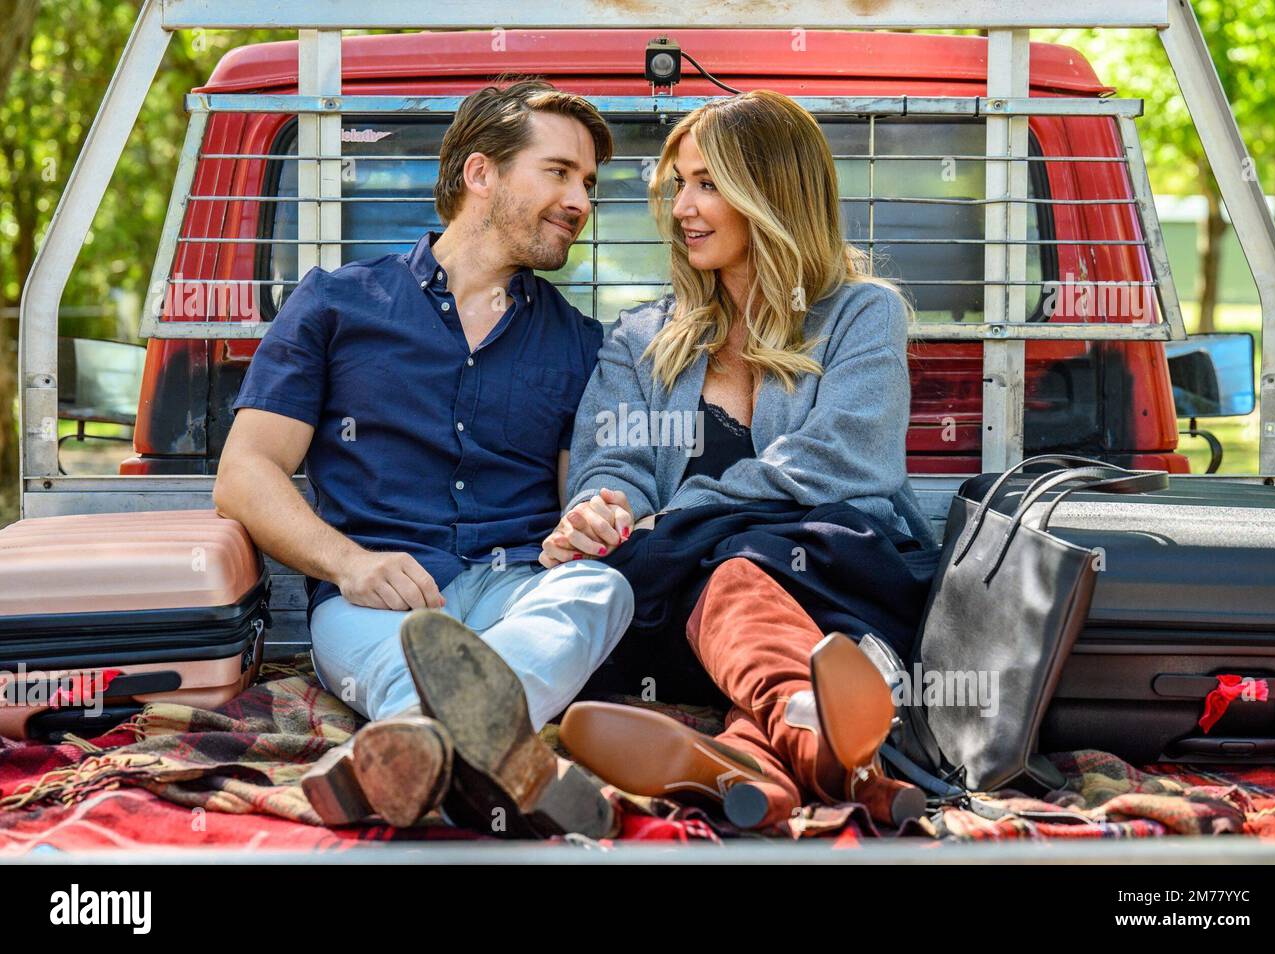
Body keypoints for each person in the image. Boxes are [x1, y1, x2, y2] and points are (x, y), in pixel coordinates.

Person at [213, 78, 633, 838]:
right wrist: (349, 564)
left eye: (589, 184)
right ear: (481, 173)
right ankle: (511, 764)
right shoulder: (334, 304)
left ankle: (408, 748)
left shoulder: (581, 343)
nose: (580, 201)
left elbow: (580, 495)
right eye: (559, 172)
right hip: (375, 603)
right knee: (414, 661)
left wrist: (587, 523)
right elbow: (245, 474)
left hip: (518, 595)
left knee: (602, 589)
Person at [542, 90, 935, 830]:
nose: (682, 208)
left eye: (708, 184)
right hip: (682, 611)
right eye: (679, 185)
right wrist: (604, 513)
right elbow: (613, 463)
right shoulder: (640, 338)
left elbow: (843, 461)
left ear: (772, 194)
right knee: (723, 577)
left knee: (738, 568)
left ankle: (750, 770)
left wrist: (676, 519)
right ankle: (836, 752)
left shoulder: (860, 313)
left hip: (830, 587)